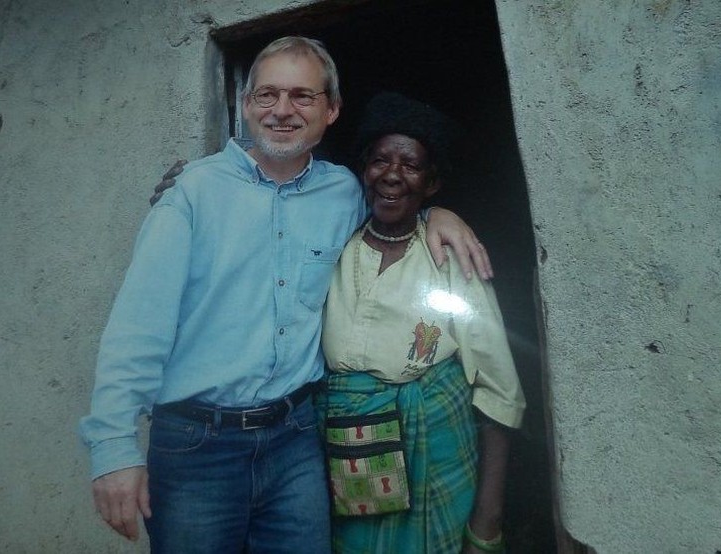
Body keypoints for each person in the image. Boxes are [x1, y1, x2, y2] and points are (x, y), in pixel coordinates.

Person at [78, 37, 491, 553]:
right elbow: (137, 329)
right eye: (267, 95)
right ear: (247, 106)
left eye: (302, 96)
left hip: (295, 439)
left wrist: (438, 214)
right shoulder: (193, 194)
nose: (282, 110)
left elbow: (396, 210)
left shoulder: (343, 194)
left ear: (332, 109)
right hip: (196, 447)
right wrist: (115, 449)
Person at [318, 92, 525, 553]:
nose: (392, 175)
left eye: (409, 165)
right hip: (347, 457)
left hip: (438, 454)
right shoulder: (332, 247)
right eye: (380, 161)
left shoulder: (451, 258)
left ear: (431, 184)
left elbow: (498, 389)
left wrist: (488, 521)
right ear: (363, 172)